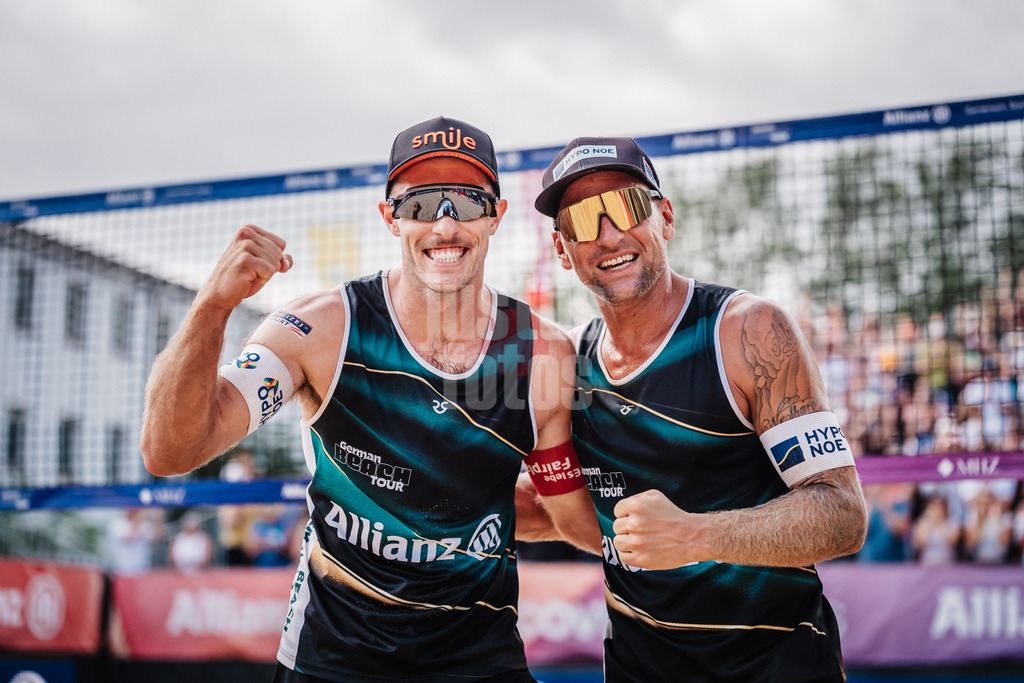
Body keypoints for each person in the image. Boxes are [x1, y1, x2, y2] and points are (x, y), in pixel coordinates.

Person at [140, 116, 599, 683]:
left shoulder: (542, 353)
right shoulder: (322, 330)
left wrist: (698, 523)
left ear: (496, 216)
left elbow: (571, 514)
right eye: (421, 204)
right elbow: (169, 452)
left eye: (466, 200)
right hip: (331, 658)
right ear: (390, 218)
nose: (445, 223)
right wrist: (211, 306)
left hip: (477, 661)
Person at [525, 137, 868, 682]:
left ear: (664, 215)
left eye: (628, 207)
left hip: (776, 668)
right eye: (583, 219)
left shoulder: (747, 331)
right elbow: (553, 510)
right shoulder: (564, 367)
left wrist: (693, 535)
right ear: (563, 250)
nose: (609, 233)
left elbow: (843, 515)